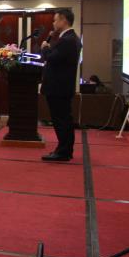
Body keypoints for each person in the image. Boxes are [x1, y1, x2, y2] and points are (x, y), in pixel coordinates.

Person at [41, 9, 82, 162]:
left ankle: (64, 152)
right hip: (62, 86)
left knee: (61, 120)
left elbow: (51, 58)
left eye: (55, 20)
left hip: (58, 87)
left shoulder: (67, 40)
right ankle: (64, 149)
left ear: (63, 20)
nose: (53, 23)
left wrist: (45, 47)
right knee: (63, 119)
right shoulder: (72, 38)